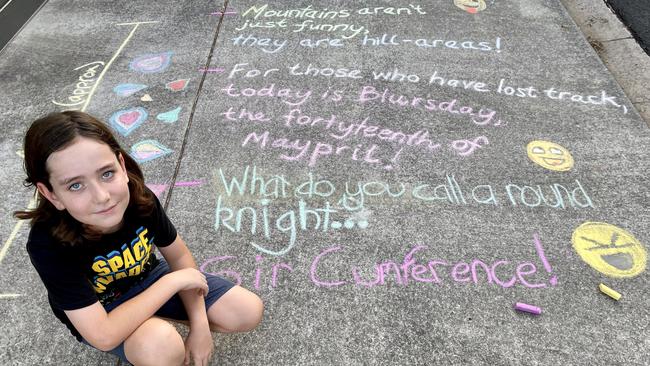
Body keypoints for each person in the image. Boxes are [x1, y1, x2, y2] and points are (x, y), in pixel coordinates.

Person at [14, 111, 263, 366]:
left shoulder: (138, 199)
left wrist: (199, 326)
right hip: (103, 309)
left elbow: (177, 255)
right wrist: (173, 283)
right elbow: (103, 335)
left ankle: (151, 320)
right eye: (75, 185)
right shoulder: (47, 244)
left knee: (247, 311)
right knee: (161, 346)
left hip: (147, 276)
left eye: (107, 173)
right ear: (51, 193)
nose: (102, 196)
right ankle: (147, 331)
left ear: (121, 165)